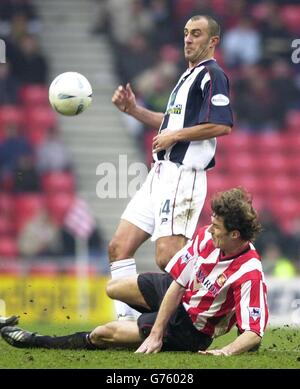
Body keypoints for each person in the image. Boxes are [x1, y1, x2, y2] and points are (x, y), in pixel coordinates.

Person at [1, 188, 268, 356]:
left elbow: (254, 331)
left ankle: (36, 341)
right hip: (179, 295)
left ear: (235, 234)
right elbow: (177, 283)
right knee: (113, 288)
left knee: (102, 334)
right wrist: (155, 331)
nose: (209, 230)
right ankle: (142, 329)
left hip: (191, 328)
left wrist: (224, 352)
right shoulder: (207, 238)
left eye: (216, 227)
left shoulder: (249, 272)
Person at [109, 15, 233, 320]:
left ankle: (215, 301)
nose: (188, 39)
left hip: (183, 174)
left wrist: (175, 136)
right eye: (186, 33)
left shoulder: (213, 75)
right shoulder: (185, 77)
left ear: (212, 41)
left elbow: (222, 125)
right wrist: (133, 109)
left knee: (167, 257)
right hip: (159, 174)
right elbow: (168, 123)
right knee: (118, 246)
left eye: (197, 34)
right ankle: (125, 324)